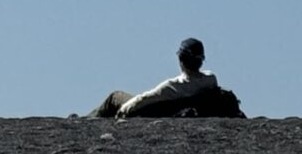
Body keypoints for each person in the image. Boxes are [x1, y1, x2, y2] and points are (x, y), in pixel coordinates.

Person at [89, 37, 217, 119]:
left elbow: (143, 99)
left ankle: (91, 118)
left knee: (115, 96)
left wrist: (123, 110)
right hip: (173, 110)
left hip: (149, 110)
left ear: (181, 59)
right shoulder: (210, 79)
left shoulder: (172, 86)